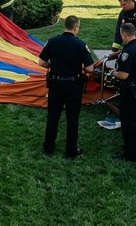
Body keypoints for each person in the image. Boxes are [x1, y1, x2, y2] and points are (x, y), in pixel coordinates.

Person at [39, 15, 95, 159]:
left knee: (53, 116)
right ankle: (71, 150)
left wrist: (54, 64)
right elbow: (90, 68)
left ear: (65, 26)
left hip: (56, 85)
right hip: (73, 86)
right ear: (75, 27)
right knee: (72, 118)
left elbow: (41, 62)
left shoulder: (52, 41)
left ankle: (49, 146)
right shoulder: (80, 45)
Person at [109, 23, 136, 162]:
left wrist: (113, 72)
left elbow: (123, 75)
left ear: (124, 35)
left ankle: (129, 154)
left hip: (130, 91)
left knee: (128, 123)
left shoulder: (128, 51)